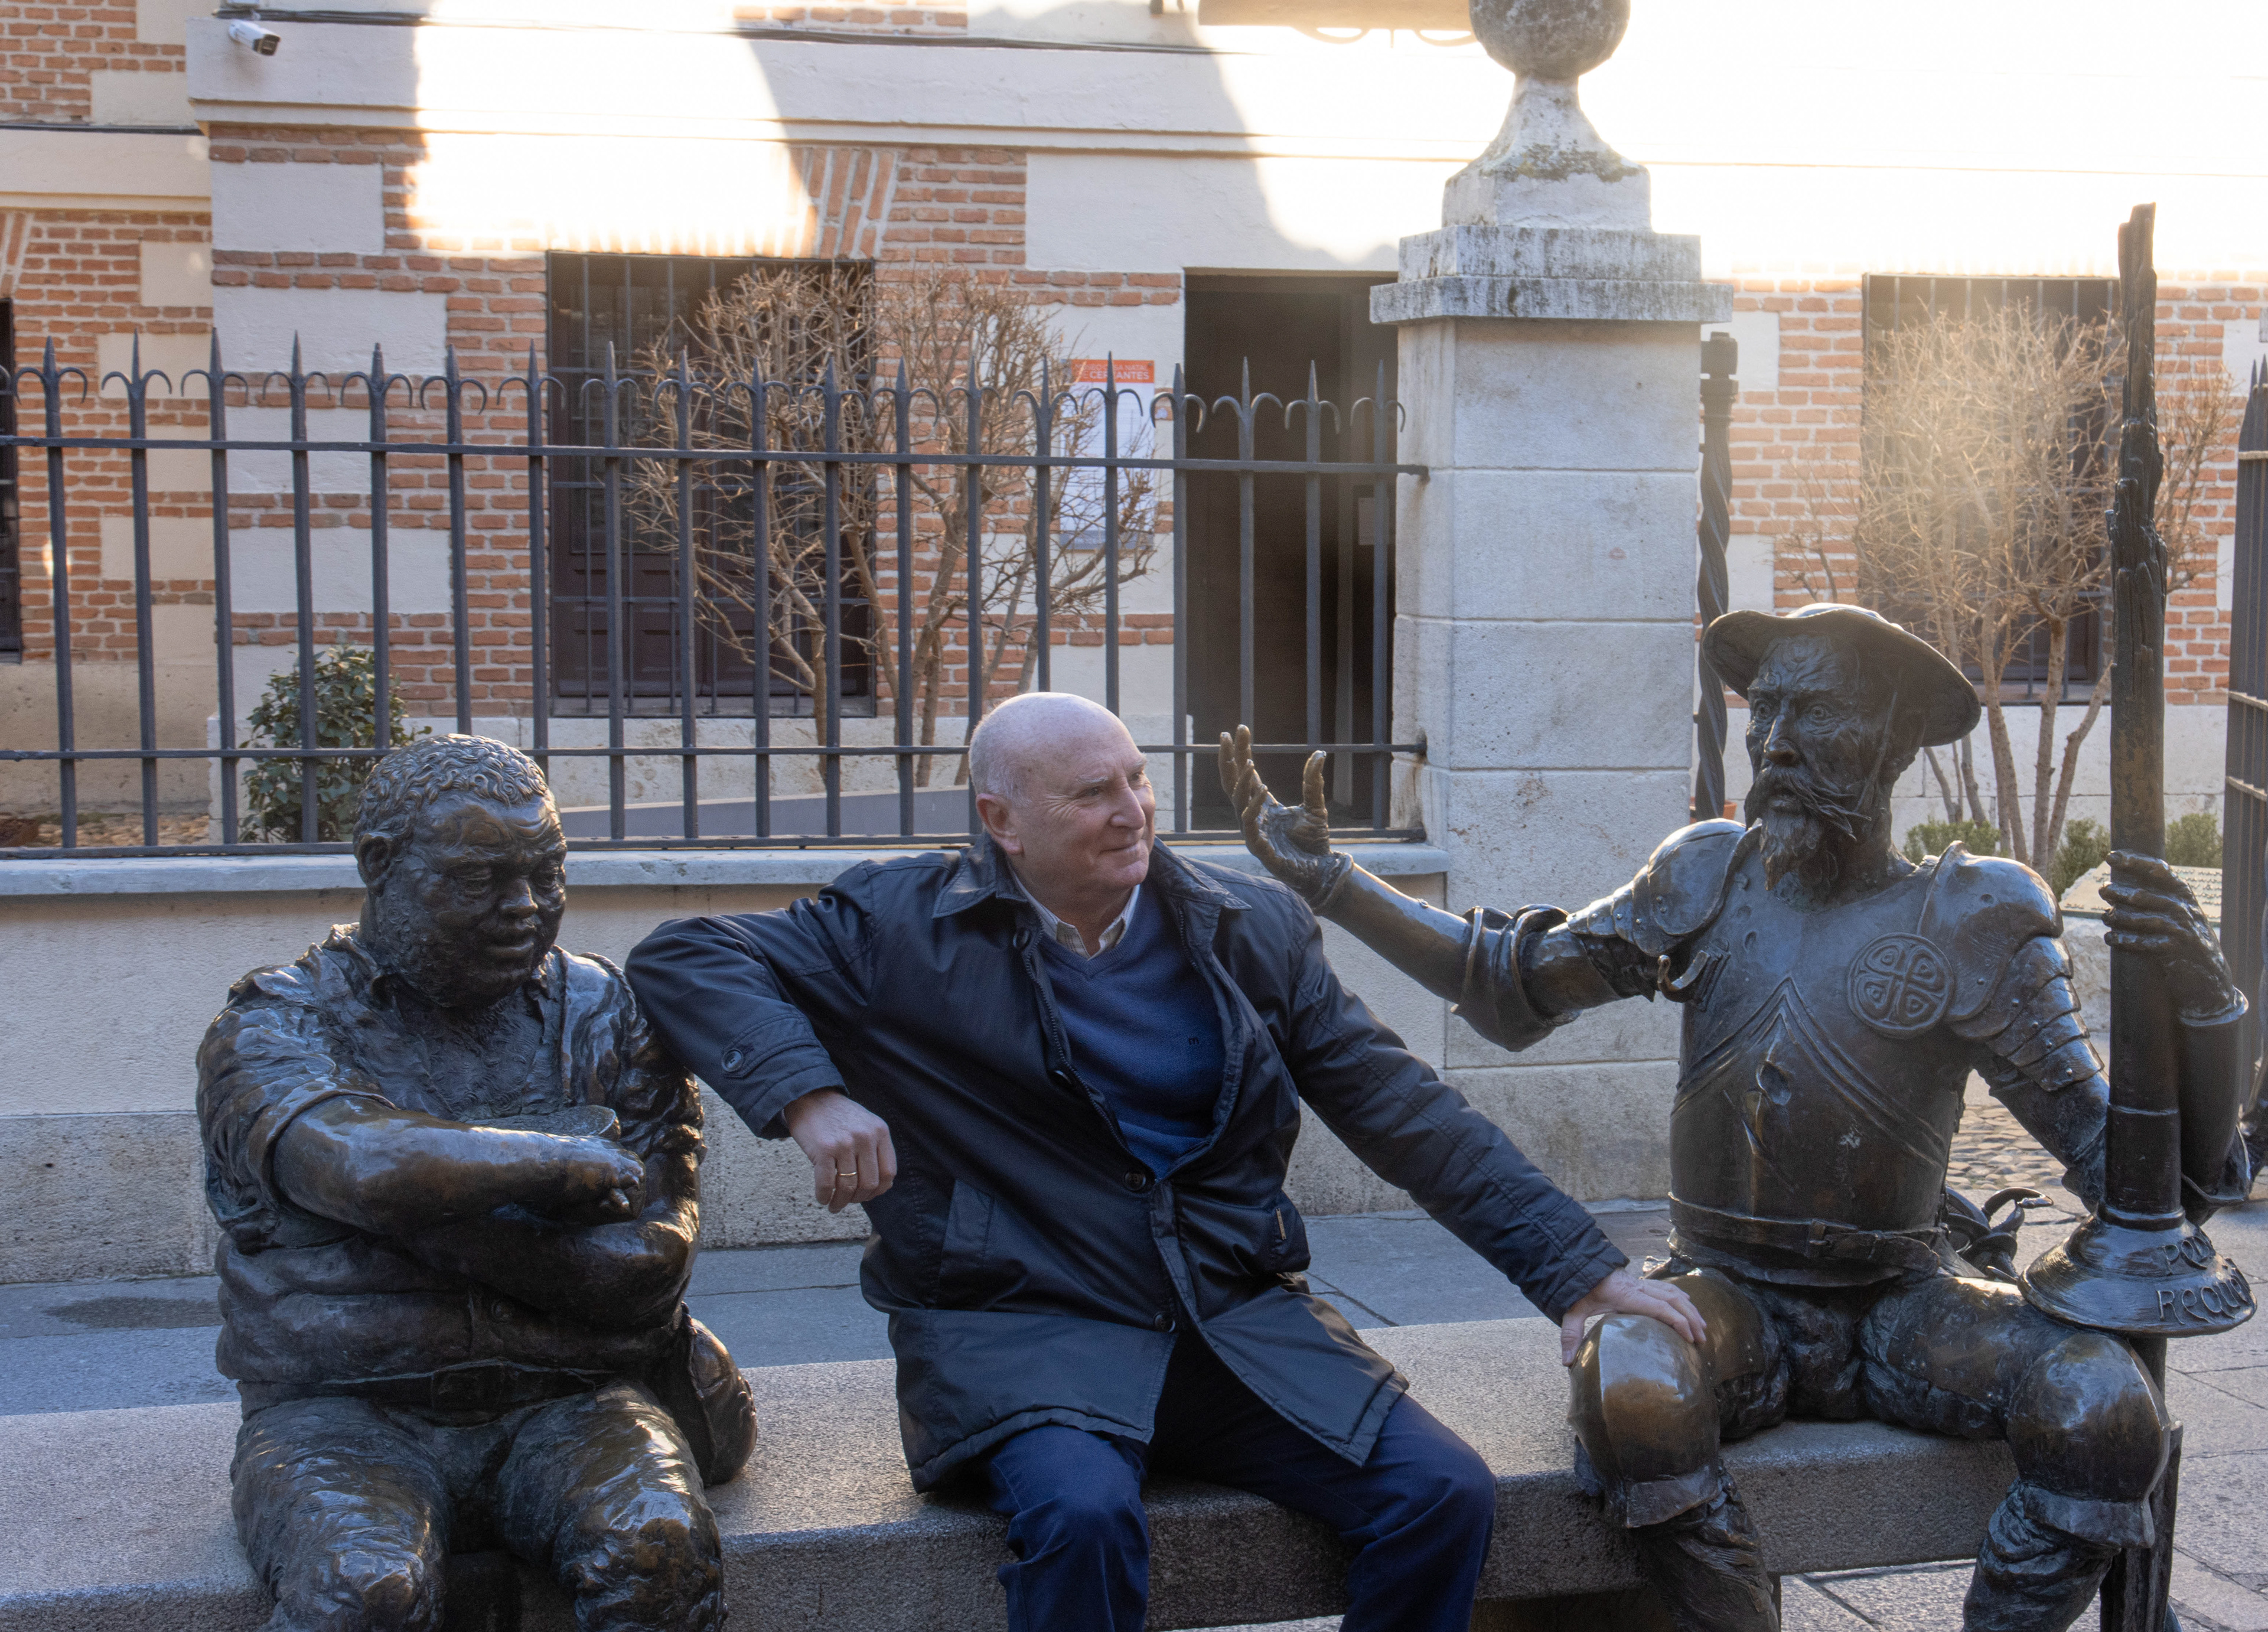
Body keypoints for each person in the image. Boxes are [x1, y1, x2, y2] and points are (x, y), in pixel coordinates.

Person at [1223, 602, 2254, 1632]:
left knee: (2105, 1404)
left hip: (1907, 1302)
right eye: (1767, 711)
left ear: (1896, 736)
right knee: (1632, 1383)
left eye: (1819, 712)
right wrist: (1335, 882)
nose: (1779, 743)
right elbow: (1510, 981)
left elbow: (2146, 1188)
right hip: (1725, 1297)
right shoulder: (1706, 877)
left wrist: (2206, 1009)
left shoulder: (1973, 916)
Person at [625, 690, 1699, 1632]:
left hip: (1231, 1317)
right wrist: (811, 1098)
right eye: (1093, 793)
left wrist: (1576, 1271)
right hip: (1023, 1326)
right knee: (1082, 1522)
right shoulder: (900, 925)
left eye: (1137, 779)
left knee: (1442, 1495)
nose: (1133, 810)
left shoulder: (1247, 926)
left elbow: (1401, 1107)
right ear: (1001, 822)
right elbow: (683, 954)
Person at [197, 735, 754, 1632]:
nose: (525, 906)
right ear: (380, 865)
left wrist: (418, 1214)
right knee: (365, 1589)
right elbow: (363, 1165)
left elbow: (646, 1267)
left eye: (548, 873)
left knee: (659, 1547)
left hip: (574, 1404)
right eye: (479, 879)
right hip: (345, 1418)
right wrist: (561, 1165)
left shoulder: (606, 1012)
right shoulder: (276, 1023)